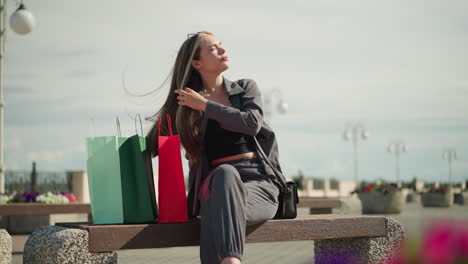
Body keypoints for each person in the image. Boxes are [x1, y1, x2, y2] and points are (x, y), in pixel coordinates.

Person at [145, 31, 287, 264]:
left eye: (221, 45)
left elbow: (252, 124)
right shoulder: (187, 103)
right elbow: (152, 145)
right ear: (196, 63)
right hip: (215, 185)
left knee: (216, 213)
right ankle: (232, 260)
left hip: (259, 185)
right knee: (225, 174)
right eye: (213, 48)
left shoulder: (245, 88)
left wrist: (206, 106)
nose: (222, 50)